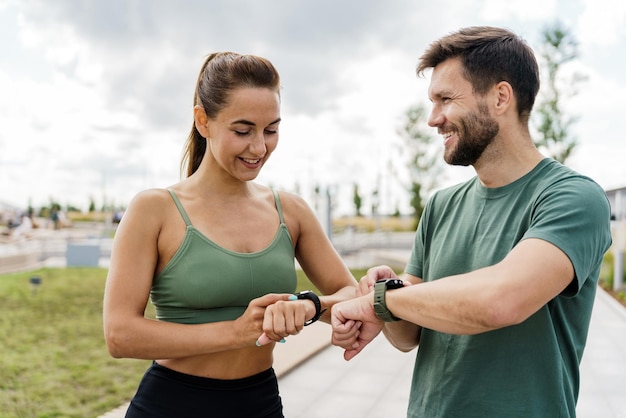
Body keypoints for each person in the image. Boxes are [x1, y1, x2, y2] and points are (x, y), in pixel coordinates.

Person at [331, 26, 612, 418]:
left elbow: (501, 301)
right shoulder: (441, 205)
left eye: (446, 99)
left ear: (500, 97)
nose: (433, 119)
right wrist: (386, 299)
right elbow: (408, 336)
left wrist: (380, 300)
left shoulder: (573, 198)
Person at [103, 52, 358, 418]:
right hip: (171, 406)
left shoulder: (291, 210)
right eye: (242, 131)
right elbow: (119, 335)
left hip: (260, 404)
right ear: (202, 121)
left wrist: (309, 306)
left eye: (271, 129)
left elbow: (349, 295)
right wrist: (236, 331)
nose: (259, 147)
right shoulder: (154, 209)